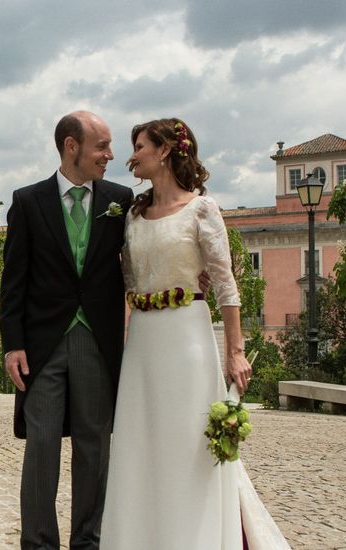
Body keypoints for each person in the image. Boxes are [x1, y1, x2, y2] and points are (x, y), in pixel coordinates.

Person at [99, 118, 290, 549]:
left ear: (164, 150)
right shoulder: (131, 214)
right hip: (143, 342)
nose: (131, 155)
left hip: (187, 338)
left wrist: (235, 352)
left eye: (139, 145)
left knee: (188, 445)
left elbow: (225, 284)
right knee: (141, 444)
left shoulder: (202, 209)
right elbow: (128, 280)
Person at [0, 111, 134, 549]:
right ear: (71, 146)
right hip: (42, 345)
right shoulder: (28, 201)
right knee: (41, 446)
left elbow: (142, 256)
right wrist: (13, 344)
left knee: (94, 447)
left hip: (98, 340)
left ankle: (88, 543)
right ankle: (38, 544)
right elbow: (13, 281)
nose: (110, 155)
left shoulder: (121, 199)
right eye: (102, 146)